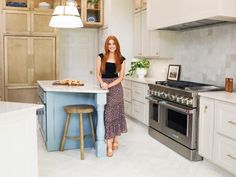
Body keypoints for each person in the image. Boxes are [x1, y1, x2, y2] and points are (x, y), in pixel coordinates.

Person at [96, 35, 127, 157]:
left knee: (117, 114)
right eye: (109, 44)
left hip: (116, 88)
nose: (111, 46)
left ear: (117, 45)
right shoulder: (101, 57)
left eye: (113, 43)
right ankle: (109, 146)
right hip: (104, 87)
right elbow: (98, 74)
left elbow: (121, 77)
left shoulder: (122, 59)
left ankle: (116, 140)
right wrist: (102, 83)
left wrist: (109, 85)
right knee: (108, 116)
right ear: (107, 45)